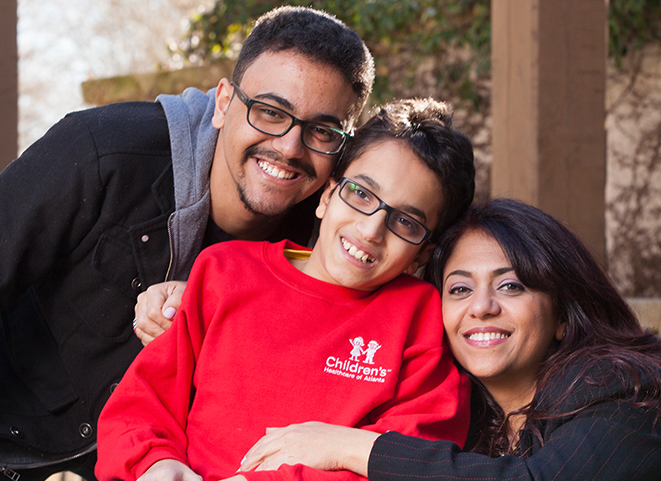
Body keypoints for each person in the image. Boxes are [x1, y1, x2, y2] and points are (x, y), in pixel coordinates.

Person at [0, 7, 374, 481]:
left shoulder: (325, 244)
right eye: (269, 112)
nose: (289, 146)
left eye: (323, 131)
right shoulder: (102, 152)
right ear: (225, 103)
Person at [95, 98, 476, 481]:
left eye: (406, 222)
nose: (370, 230)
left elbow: (413, 454)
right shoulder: (223, 271)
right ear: (327, 197)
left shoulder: (419, 314)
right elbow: (140, 406)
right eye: (361, 194)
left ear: (422, 253)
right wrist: (158, 466)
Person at [236, 199, 661, 481]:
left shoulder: (625, 390)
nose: (481, 306)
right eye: (459, 289)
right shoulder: (468, 414)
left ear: (562, 312)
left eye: (511, 285)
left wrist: (353, 447)